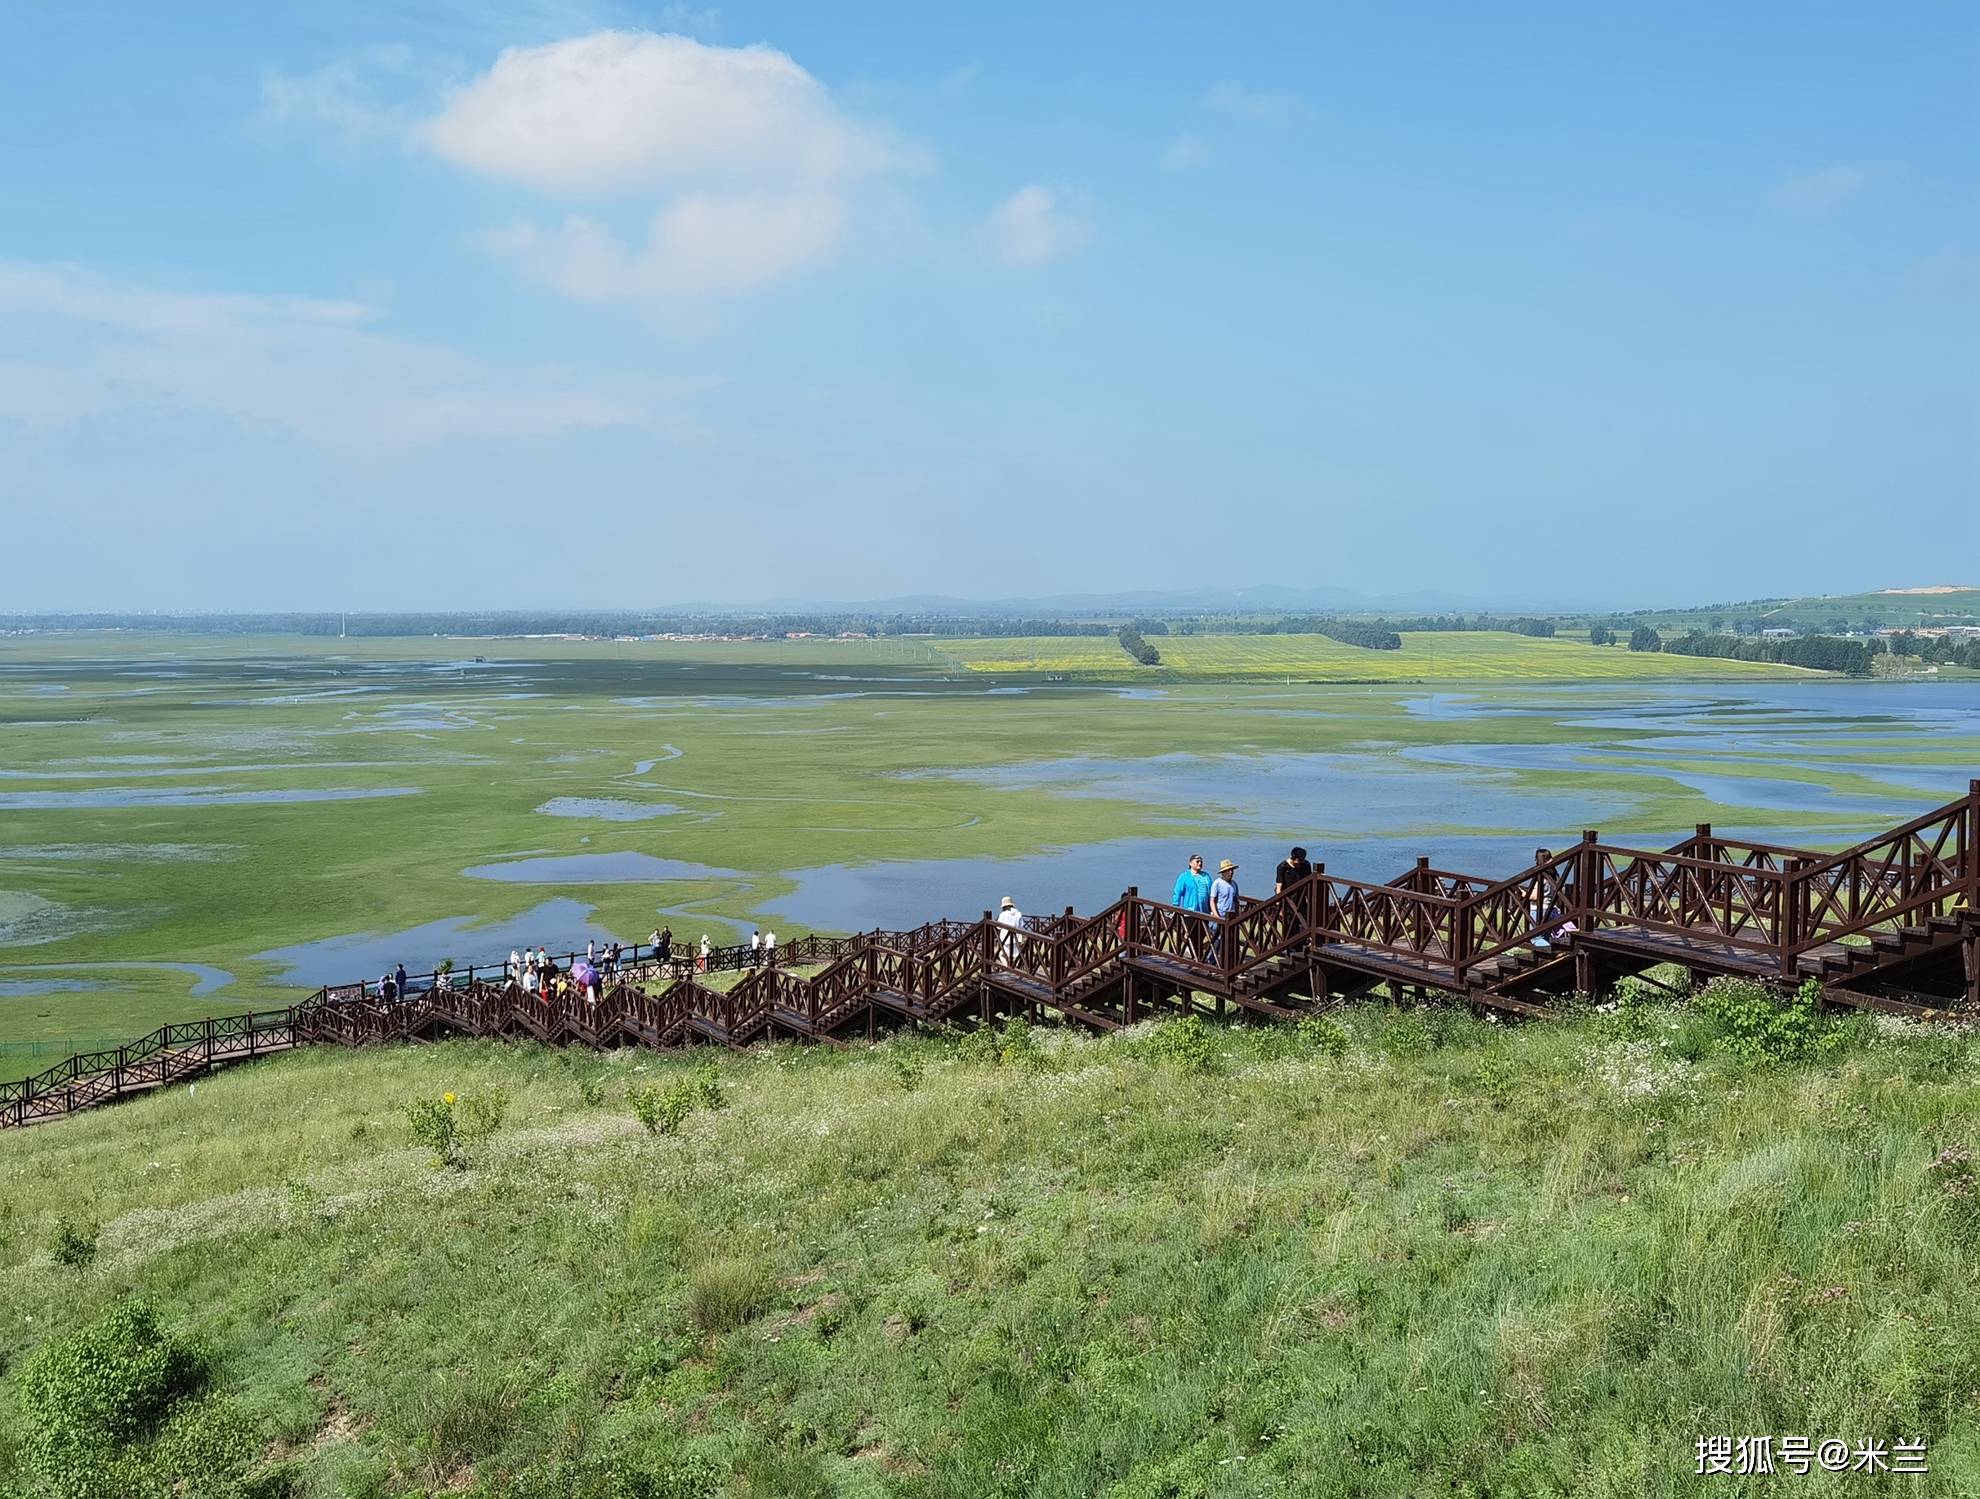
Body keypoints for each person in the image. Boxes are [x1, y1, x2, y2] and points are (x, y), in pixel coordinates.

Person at [1209, 859, 1240, 966]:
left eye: (1231, 870)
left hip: (1231, 917)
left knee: (1229, 942)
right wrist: (1216, 915)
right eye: (1228, 870)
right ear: (1223, 872)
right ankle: (1212, 964)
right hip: (1219, 916)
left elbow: (1236, 900)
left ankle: (1226, 964)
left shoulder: (1234, 884)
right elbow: (1212, 900)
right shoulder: (1217, 883)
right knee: (1216, 941)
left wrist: (1238, 914)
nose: (1231, 872)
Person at [996, 896, 1024, 965]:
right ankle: (1016, 968)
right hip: (1017, 938)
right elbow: (1021, 926)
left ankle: (1007, 968)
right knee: (1016, 955)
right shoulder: (1019, 914)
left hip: (1005, 939)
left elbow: (998, 927)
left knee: (1002, 955)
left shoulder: (1003, 914)